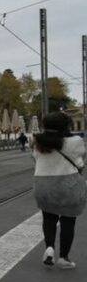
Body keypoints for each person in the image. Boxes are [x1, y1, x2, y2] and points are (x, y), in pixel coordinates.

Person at [33, 112, 87, 269]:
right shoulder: (76, 141)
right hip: (67, 184)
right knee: (68, 220)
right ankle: (64, 258)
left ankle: (49, 248)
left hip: (43, 184)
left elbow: (35, 158)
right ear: (66, 125)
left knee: (49, 218)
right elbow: (80, 160)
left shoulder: (37, 142)